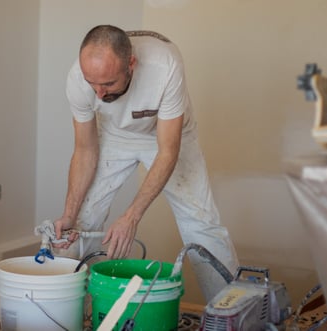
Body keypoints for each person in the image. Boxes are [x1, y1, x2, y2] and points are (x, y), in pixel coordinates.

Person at [53, 24, 239, 301]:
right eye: (92, 83)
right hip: (115, 135)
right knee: (79, 223)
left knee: (202, 224)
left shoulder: (165, 66)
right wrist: (69, 212)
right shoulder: (78, 80)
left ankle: (230, 312)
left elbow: (167, 152)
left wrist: (130, 217)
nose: (99, 94)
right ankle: (69, 310)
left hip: (169, 135)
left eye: (108, 84)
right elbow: (85, 150)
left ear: (131, 64)